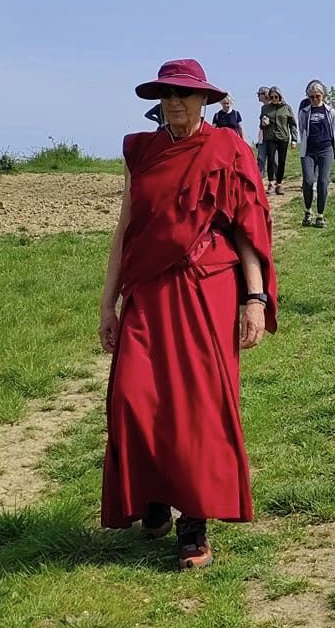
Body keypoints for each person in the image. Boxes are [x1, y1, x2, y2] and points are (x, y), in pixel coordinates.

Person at [100, 58, 277, 569]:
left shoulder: (228, 149)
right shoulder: (141, 153)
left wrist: (255, 298)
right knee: (134, 399)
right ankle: (153, 498)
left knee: (197, 408)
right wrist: (106, 302)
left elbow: (247, 231)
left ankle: (193, 526)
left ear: (204, 101)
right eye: (166, 94)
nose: (174, 103)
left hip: (207, 288)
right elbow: (124, 231)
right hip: (148, 295)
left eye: (184, 94)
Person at [297, 80, 335, 227]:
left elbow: (333, 129)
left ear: (323, 96)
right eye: (312, 97)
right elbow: (302, 128)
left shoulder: (330, 111)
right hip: (308, 149)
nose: (315, 99)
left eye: (317, 96)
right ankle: (308, 211)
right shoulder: (304, 111)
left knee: (323, 181)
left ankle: (320, 215)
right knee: (308, 181)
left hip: (325, 149)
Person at [259, 86, 296, 194]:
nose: (274, 98)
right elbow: (261, 124)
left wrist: (294, 139)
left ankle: (279, 184)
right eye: (271, 97)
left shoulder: (286, 108)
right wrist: (263, 123)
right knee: (270, 160)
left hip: (283, 137)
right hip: (270, 137)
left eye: (276, 96)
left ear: (280, 96)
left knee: (281, 161)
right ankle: (271, 183)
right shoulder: (265, 108)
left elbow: (292, 124)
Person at [252, 85, 270, 173]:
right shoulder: (263, 107)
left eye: (259, 94)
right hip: (262, 136)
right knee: (261, 158)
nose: (258, 96)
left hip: (271, 136)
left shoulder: (272, 107)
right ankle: (259, 177)